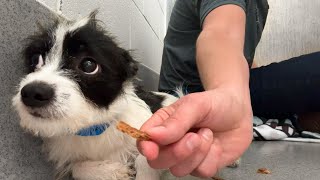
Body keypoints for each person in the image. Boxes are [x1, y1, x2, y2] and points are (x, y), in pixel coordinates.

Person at [137, 0, 320, 178]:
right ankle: (297, 117)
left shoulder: (260, 5)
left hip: (217, 88)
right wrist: (229, 94)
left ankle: (298, 117)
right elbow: (221, 34)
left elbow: (242, 60)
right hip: (193, 97)